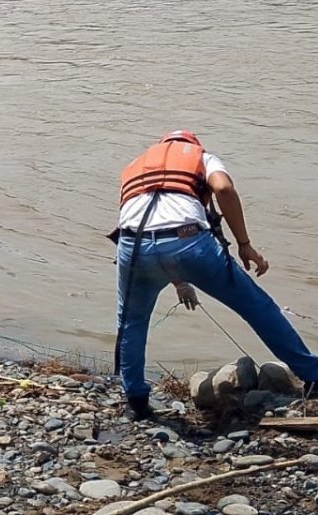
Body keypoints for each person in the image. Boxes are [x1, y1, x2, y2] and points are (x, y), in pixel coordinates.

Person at [114, 130, 318, 420]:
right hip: (191, 244)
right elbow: (222, 189)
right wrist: (244, 244)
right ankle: (312, 374)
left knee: (131, 322)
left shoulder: (135, 165)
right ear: (193, 145)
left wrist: (179, 281)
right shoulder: (203, 158)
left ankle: (136, 400)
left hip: (133, 246)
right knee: (257, 306)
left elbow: (149, 226)